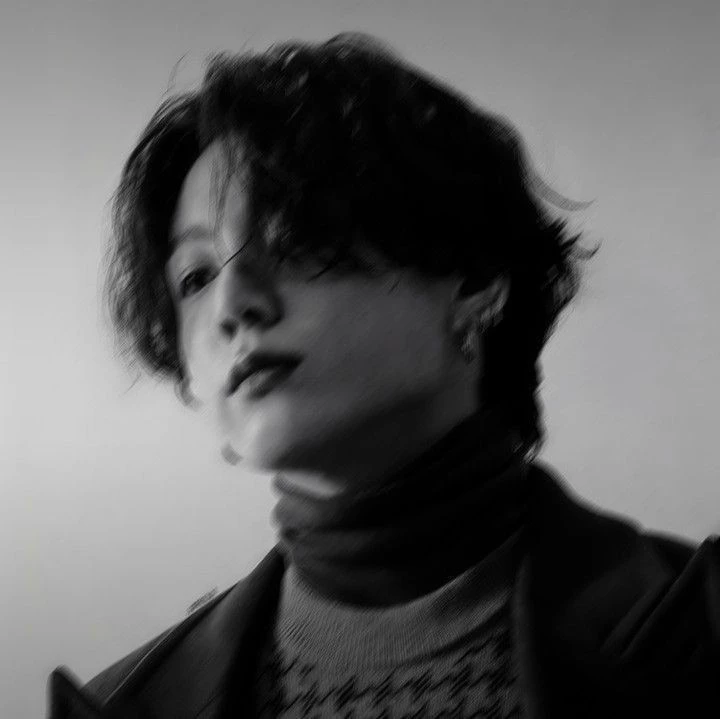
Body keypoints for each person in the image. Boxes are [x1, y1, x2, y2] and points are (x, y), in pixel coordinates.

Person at [48, 32, 720, 719]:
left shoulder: (701, 634)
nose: (231, 304)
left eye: (292, 236)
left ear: (474, 280)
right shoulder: (123, 706)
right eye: (195, 277)